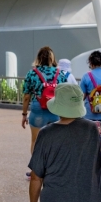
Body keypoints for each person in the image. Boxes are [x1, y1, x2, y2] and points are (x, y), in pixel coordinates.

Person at [21, 47, 63, 178]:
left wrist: (24, 114)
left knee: (35, 141)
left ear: (38, 58)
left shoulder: (32, 73)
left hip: (38, 109)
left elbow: (27, 96)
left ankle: (37, 171)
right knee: (56, 141)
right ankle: (53, 170)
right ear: (52, 58)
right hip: (55, 109)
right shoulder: (60, 74)